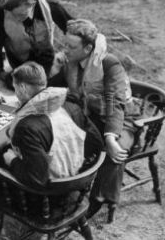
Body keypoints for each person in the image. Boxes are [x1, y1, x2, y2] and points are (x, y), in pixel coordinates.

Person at [49, 19, 136, 216]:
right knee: (63, 136)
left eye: (71, 46)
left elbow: (116, 104)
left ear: (88, 48)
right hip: (92, 116)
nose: (65, 50)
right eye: (64, 45)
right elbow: (53, 86)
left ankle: (96, 201)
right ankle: (63, 186)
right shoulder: (71, 62)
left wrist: (111, 137)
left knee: (115, 151)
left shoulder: (109, 63)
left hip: (121, 120)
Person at [3, 61, 103, 189]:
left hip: (54, 188)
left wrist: (12, 160)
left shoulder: (26, 127)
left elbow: (37, 179)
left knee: (0, 158)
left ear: (22, 88)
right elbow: (97, 142)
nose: (16, 94)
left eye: (15, 88)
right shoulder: (72, 106)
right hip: (80, 174)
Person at [0, 0, 73, 104]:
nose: (17, 18)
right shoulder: (0, 13)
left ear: (32, 4)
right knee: (24, 87)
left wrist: (69, 51)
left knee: (44, 87)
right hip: (19, 61)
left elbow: (75, 29)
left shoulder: (50, 6)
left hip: (45, 58)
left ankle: (14, 77)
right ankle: (8, 76)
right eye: (12, 15)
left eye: (21, 15)